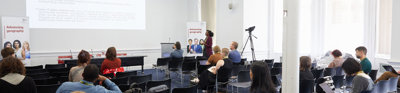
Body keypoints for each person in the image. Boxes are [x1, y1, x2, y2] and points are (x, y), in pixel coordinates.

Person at [56, 64, 122, 93]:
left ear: (83, 75)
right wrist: (105, 79)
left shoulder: (65, 86)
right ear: (97, 78)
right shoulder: (100, 90)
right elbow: (118, 92)